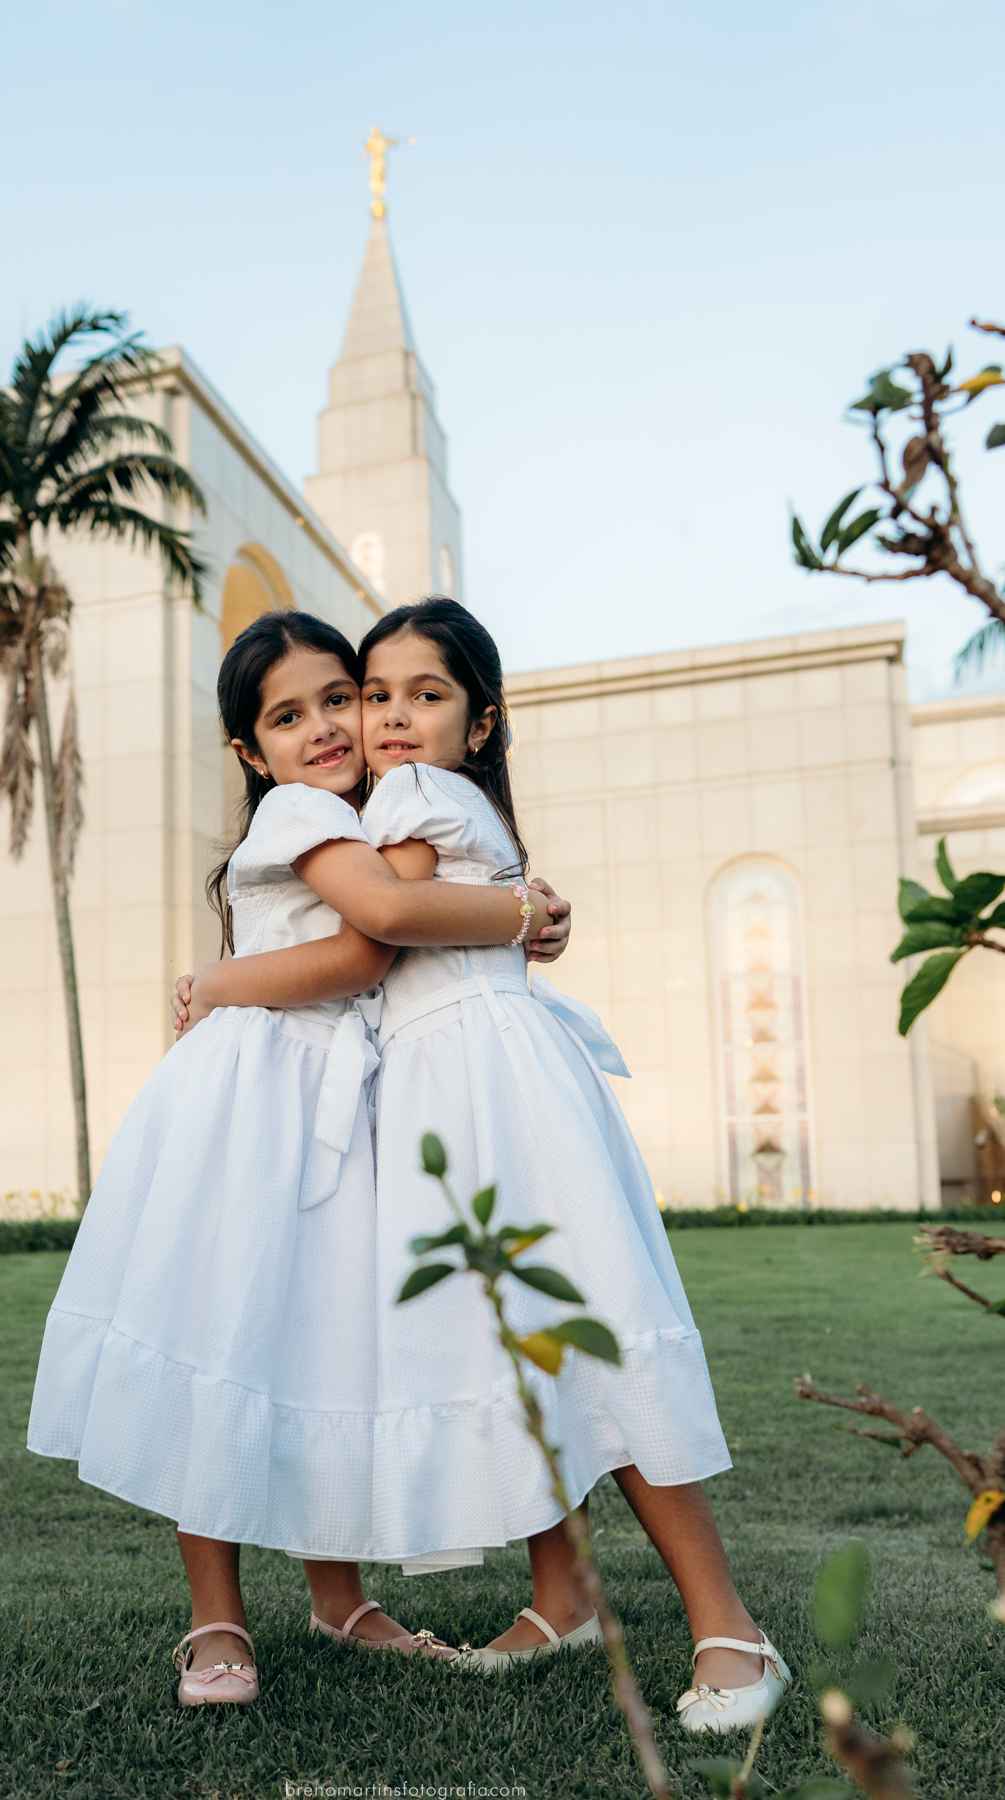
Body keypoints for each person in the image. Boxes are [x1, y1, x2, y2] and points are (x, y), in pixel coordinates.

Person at [174, 598, 791, 1735]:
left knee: (583, 1329)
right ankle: (560, 1597)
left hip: (489, 1089)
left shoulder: (405, 799)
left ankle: (731, 1629)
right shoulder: (368, 809)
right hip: (446, 1094)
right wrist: (524, 906)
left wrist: (516, 911)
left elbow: (384, 925)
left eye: (422, 694)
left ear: (482, 715)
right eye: (377, 694)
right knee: (519, 1337)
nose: (384, 718)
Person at [29, 609, 570, 1708]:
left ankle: (338, 1597)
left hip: (344, 1100)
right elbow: (369, 941)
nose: (328, 727)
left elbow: (405, 917)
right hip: (253, 1094)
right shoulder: (299, 815)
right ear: (249, 749)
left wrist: (523, 910)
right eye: (290, 715)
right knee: (222, 1330)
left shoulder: (380, 813)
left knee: (323, 1344)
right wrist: (517, 910)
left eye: (342, 698)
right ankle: (215, 1618)